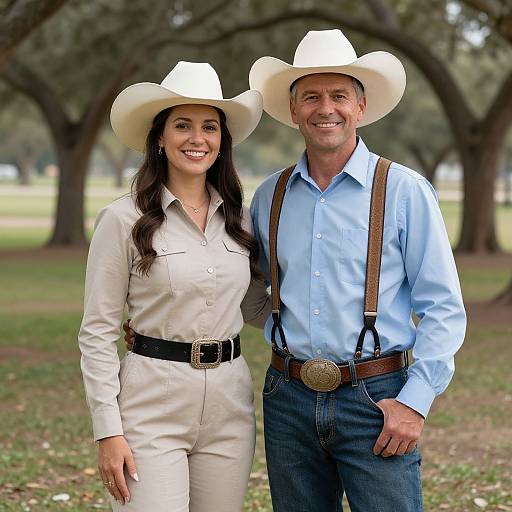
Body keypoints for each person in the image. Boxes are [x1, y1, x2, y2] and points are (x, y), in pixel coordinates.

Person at [245, 29, 466, 511]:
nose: (326, 108)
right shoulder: (269, 197)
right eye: (311, 97)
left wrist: (414, 400)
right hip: (288, 398)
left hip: (379, 398)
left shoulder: (405, 191)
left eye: (339, 95)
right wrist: (292, 323)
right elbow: (247, 286)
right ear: (292, 110)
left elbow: (443, 307)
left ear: (360, 107)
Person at [78, 61, 270, 512]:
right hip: (150, 405)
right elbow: (97, 332)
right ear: (159, 138)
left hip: (229, 405)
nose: (197, 138)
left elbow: (255, 307)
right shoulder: (122, 220)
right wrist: (108, 430)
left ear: (222, 141)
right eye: (182, 125)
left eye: (209, 127)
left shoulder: (240, 221)